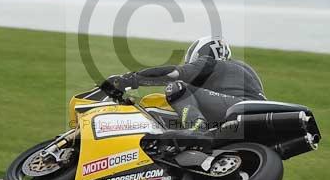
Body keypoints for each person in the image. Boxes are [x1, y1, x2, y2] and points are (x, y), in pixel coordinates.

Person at [101, 36, 266, 132]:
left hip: (240, 108)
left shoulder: (209, 63)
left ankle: (196, 129)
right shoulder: (239, 69)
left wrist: (130, 80)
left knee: (177, 86)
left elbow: (172, 74)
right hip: (257, 114)